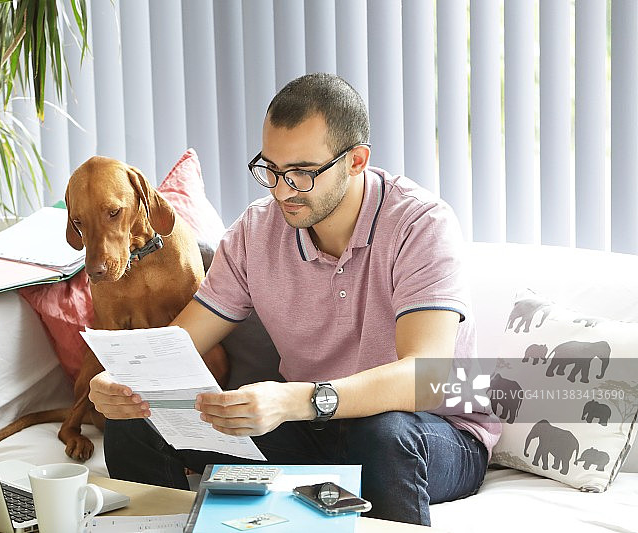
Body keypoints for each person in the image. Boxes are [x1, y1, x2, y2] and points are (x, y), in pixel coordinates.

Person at [89, 73, 501, 526]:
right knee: (135, 419)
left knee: (382, 431)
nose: (282, 190)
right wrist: (121, 382)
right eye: (271, 169)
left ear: (356, 161)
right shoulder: (255, 231)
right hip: (311, 427)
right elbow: (180, 342)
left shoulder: (420, 224)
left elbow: (426, 375)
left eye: (302, 173)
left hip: (432, 431)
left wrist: (296, 401)